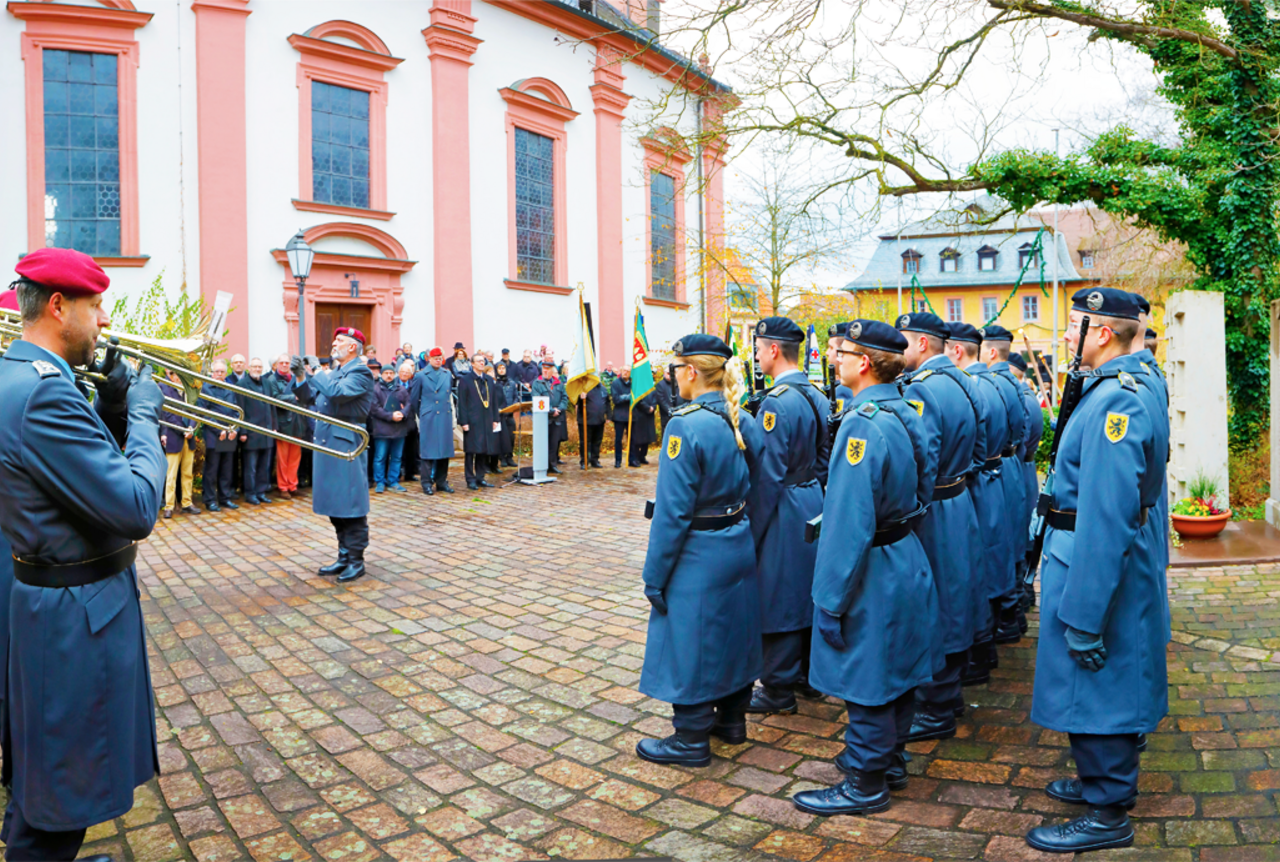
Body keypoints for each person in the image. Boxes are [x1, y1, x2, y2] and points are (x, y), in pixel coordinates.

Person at [0, 247, 167, 861]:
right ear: (58, 306)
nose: (104, 320)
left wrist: (113, 410)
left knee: (46, 765)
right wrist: (145, 418)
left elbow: (69, 475)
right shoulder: (44, 393)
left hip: (55, 602)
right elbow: (135, 507)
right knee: (64, 781)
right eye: (95, 306)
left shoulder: (21, 376)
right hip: (74, 616)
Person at [1022, 288, 1166, 854]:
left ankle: (1108, 810)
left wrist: (1084, 616)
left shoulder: (1116, 402)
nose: (1064, 333)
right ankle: (1100, 781)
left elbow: (1106, 516)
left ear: (1102, 333)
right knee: (1096, 683)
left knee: (1098, 681)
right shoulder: (1122, 385)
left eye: (1074, 323)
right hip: (1084, 549)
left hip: (1092, 557)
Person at [791, 320, 937, 817]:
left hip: (873, 564)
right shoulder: (903, 409)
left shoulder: (862, 422)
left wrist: (829, 599)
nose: (836, 359)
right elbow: (925, 486)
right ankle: (888, 761)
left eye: (844, 353)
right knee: (896, 670)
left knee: (868, 677)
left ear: (866, 363)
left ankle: (865, 782)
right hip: (902, 551)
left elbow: (848, 522)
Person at [635, 333, 763, 768]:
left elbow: (672, 514)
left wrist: (654, 577)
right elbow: (760, 482)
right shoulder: (739, 417)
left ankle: (690, 737)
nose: (672, 377)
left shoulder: (685, 425)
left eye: (674, 369)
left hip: (698, 551)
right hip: (737, 541)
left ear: (691, 371)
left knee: (690, 638)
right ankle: (731, 720)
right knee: (733, 632)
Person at [896, 312, 980, 742]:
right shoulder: (964, 380)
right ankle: (949, 695)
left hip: (936, 509)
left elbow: (922, 459)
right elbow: (981, 446)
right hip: (960, 499)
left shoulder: (922, 387)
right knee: (957, 597)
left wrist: (911, 510)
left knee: (938, 603)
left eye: (903, 340)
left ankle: (936, 707)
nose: (899, 349)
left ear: (922, 344)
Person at [744, 316, 828, 716]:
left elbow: (767, 476)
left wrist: (752, 531)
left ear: (773, 350)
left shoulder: (776, 402)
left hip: (783, 506)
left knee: (777, 592)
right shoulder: (816, 394)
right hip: (811, 498)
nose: (757, 356)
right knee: (806, 587)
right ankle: (807, 675)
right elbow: (824, 458)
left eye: (759, 349)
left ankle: (778, 686)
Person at [945, 323, 1005, 685]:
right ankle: (983, 648)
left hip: (964, 492)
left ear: (956, 350)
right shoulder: (988, 385)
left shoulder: (969, 386)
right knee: (980, 572)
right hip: (982, 483)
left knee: (965, 577)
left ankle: (976, 654)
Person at [293, 327, 375, 584]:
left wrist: (317, 370)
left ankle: (356, 560)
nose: (334, 343)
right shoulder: (337, 372)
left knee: (350, 503)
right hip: (328, 441)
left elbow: (337, 394)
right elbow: (312, 398)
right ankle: (344, 555)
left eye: (339, 340)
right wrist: (300, 377)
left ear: (352, 346)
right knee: (335, 503)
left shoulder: (360, 372)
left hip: (346, 443)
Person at [982, 326, 1029, 642]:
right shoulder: (1013, 382)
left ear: (990, 351)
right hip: (1011, 463)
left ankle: (1008, 616)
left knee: (999, 545)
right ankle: (1014, 612)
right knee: (1011, 542)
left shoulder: (992, 383)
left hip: (997, 465)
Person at [1008, 353, 1044, 610]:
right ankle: (1025, 588)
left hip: (1020, 469)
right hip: (1027, 469)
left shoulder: (1021, 399)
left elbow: (1020, 440)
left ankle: (1024, 590)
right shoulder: (1029, 396)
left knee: (1022, 533)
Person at [198, 359, 241, 512]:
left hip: (229, 434)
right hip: (213, 435)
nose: (219, 374)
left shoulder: (230, 388)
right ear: (212, 373)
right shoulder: (205, 388)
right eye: (217, 371)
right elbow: (204, 413)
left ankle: (225, 498)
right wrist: (218, 429)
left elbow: (236, 411)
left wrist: (235, 429)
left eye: (222, 372)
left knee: (226, 469)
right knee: (212, 470)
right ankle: (210, 500)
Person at [411, 347, 455, 494]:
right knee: (428, 452)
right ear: (429, 359)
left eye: (440, 358)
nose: (438, 360)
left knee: (444, 451)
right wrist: (424, 413)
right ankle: (426, 483)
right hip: (429, 417)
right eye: (435, 358)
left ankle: (441, 481)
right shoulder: (421, 375)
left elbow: (448, 395)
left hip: (444, 416)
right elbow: (414, 399)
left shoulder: (447, 374)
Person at [159, 369, 199, 519]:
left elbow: (195, 411)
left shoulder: (190, 391)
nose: (180, 378)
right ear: (172, 376)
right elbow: (167, 414)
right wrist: (183, 429)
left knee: (187, 473)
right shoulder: (166, 389)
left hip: (189, 437)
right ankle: (169, 506)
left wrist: (191, 428)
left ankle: (187, 503)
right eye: (177, 375)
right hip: (174, 435)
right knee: (171, 474)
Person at [457, 354, 501, 490]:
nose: (482, 363)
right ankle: (470, 478)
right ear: (472, 364)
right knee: (471, 451)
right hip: (472, 421)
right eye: (479, 361)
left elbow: (494, 401)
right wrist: (463, 421)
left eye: (483, 361)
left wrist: (495, 418)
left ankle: (480, 477)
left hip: (486, 419)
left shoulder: (488, 380)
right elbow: (462, 403)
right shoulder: (465, 380)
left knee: (483, 449)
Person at [236, 357, 276, 505]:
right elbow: (240, 409)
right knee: (250, 468)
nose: (257, 369)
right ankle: (250, 494)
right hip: (251, 432)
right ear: (249, 368)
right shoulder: (242, 385)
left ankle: (261, 492)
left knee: (264, 466)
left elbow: (272, 405)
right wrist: (243, 431)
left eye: (260, 367)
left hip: (267, 431)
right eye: (255, 367)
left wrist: (274, 426)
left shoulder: (267, 383)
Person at [369, 361, 411, 493]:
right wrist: (390, 416)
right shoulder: (375, 389)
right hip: (381, 429)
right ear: (381, 374)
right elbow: (375, 409)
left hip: (399, 429)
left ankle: (393, 481)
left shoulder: (401, 389)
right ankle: (380, 482)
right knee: (380, 457)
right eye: (386, 373)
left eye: (391, 373)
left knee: (397, 457)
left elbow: (409, 404)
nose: (389, 375)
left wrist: (402, 414)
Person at [532, 358, 567, 473]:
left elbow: (564, 398)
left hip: (556, 418)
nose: (545, 371)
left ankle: (553, 465)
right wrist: (551, 410)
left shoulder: (559, 384)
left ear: (552, 371)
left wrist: (559, 409)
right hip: (543, 419)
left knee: (554, 443)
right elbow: (537, 400)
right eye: (543, 369)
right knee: (543, 444)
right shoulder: (537, 383)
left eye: (547, 369)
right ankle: (543, 465)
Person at [494, 361, 519, 467]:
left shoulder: (511, 383)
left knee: (511, 436)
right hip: (499, 415)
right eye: (499, 368)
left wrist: (513, 407)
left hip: (509, 414)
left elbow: (516, 397)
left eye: (503, 368)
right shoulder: (495, 383)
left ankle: (509, 457)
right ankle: (502, 457)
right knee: (501, 438)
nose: (501, 370)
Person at [578, 379, 606, 468]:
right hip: (586, 420)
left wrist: (609, 415)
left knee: (597, 441)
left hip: (599, 420)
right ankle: (584, 461)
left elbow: (607, 402)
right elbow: (576, 402)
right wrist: (580, 398)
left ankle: (595, 460)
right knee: (585, 442)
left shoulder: (603, 389)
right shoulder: (584, 388)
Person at [610, 367, 632, 468]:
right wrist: (628, 397)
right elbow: (616, 399)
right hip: (619, 415)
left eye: (627, 371)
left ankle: (631, 459)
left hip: (631, 415)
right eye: (624, 370)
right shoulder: (615, 383)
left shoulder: (633, 383)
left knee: (632, 438)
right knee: (618, 439)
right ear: (621, 371)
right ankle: (618, 460)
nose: (625, 372)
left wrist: (625, 397)